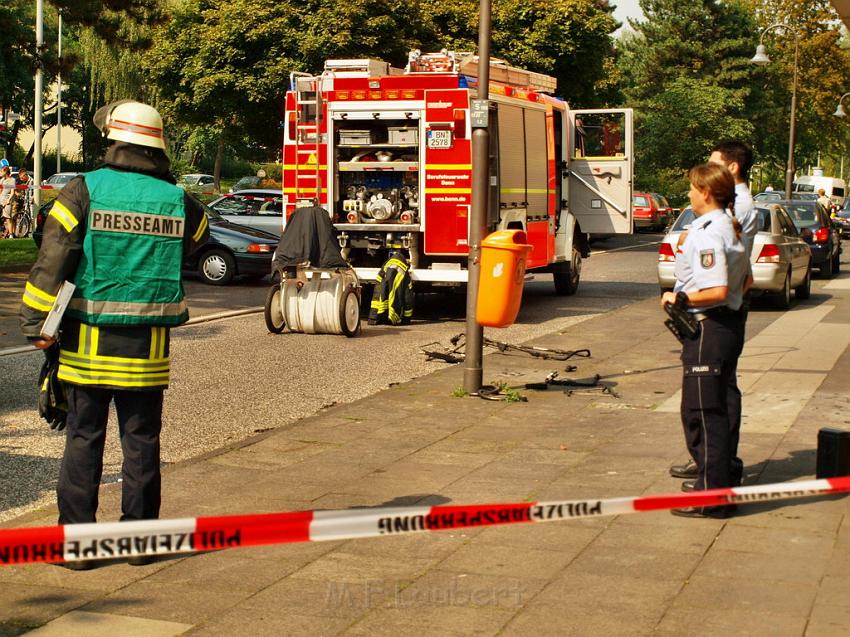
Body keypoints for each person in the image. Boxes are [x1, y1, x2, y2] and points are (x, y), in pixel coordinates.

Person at [19, 100, 209, 569]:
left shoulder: (83, 191)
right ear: (157, 146)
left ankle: (79, 547)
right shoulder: (179, 200)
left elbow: (53, 260)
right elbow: (199, 239)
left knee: (84, 438)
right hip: (149, 348)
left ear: (115, 141)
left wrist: (36, 324)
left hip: (88, 342)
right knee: (142, 440)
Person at [662, 163, 750, 519]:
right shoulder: (730, 228)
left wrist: (676, 299)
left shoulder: (708, 233)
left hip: (707, 329)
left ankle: (710, 496)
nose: (689, 193)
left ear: (707, 192)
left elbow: (717, 289)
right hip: (727, 325)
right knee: (722, 406)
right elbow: (747, 283)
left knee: (701, 413)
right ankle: (720, 480)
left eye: (692, 188)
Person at [1, 166, 15, 238]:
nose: (0, 173)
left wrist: (8, 200)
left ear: (6, 172)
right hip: (1, 200)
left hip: (7, 201)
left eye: (1, 171)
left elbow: (12, 192)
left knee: (8, 218)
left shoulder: (12, 180)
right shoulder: (2, 180)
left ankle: (11, 234)